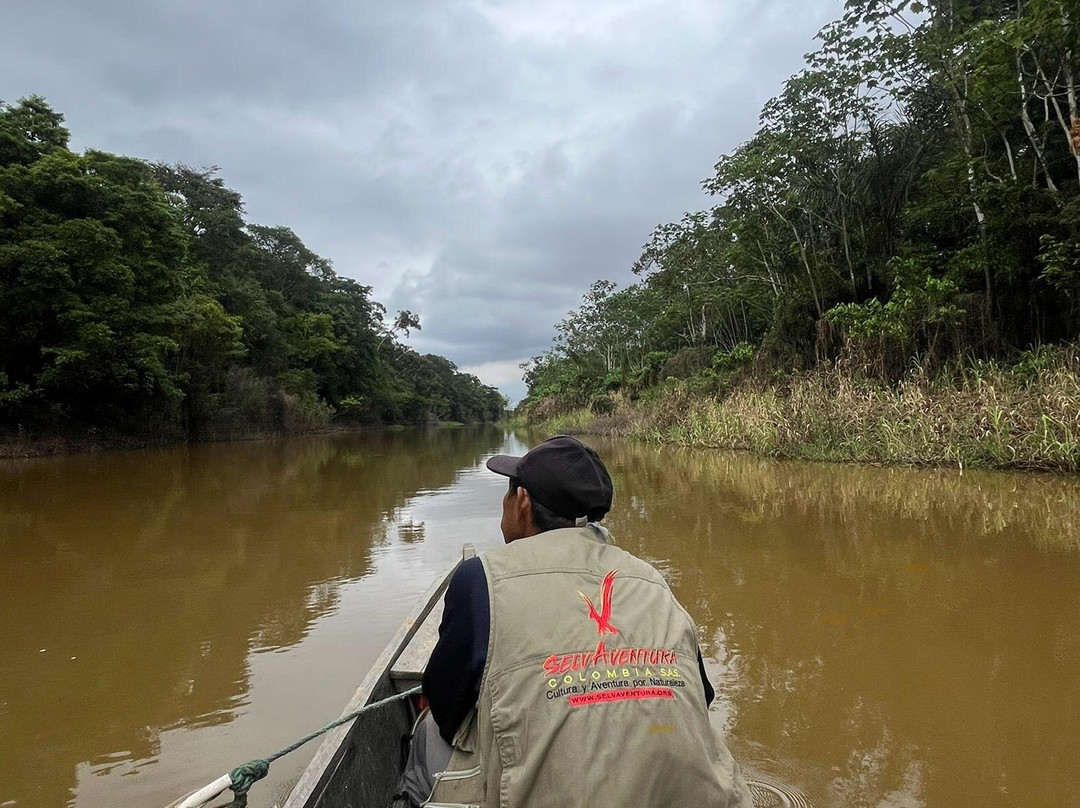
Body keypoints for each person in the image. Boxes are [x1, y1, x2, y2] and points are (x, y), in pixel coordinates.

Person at [399, 435, 752, 807]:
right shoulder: (648, 576)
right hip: (706, 798)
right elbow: (702, 697)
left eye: (508, 492)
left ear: (522, 503)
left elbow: (446, 707)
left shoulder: (481, 578)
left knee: (427, 732)